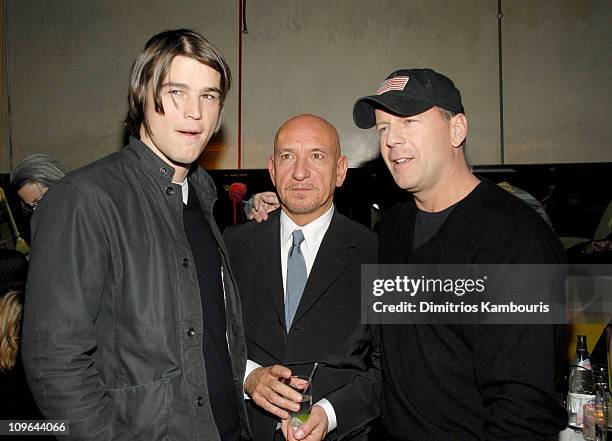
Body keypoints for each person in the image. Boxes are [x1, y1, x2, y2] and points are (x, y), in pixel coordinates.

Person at [22, 29, 250, 441]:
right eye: (176, 91)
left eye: (209, 96)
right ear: (142, 94)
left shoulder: (201, 196)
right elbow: (54, 362)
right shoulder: (83, 199)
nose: (195, 112)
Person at [351, 68, 567, 440]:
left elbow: (524, 409)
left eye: (409, 122)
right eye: (384, 128)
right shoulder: (393, 229)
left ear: (457, 129)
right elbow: (383, 355)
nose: (391, 140)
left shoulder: (516, 239)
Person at [224, 114, 380, 441]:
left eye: (317, 156)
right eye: (287, 157)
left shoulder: (377, 253)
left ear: (340, 171)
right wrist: (248, 377)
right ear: (272, 168)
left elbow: (392, 368)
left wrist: (331, 414)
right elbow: (208, 338)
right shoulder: (232, 246)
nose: (299, 172)